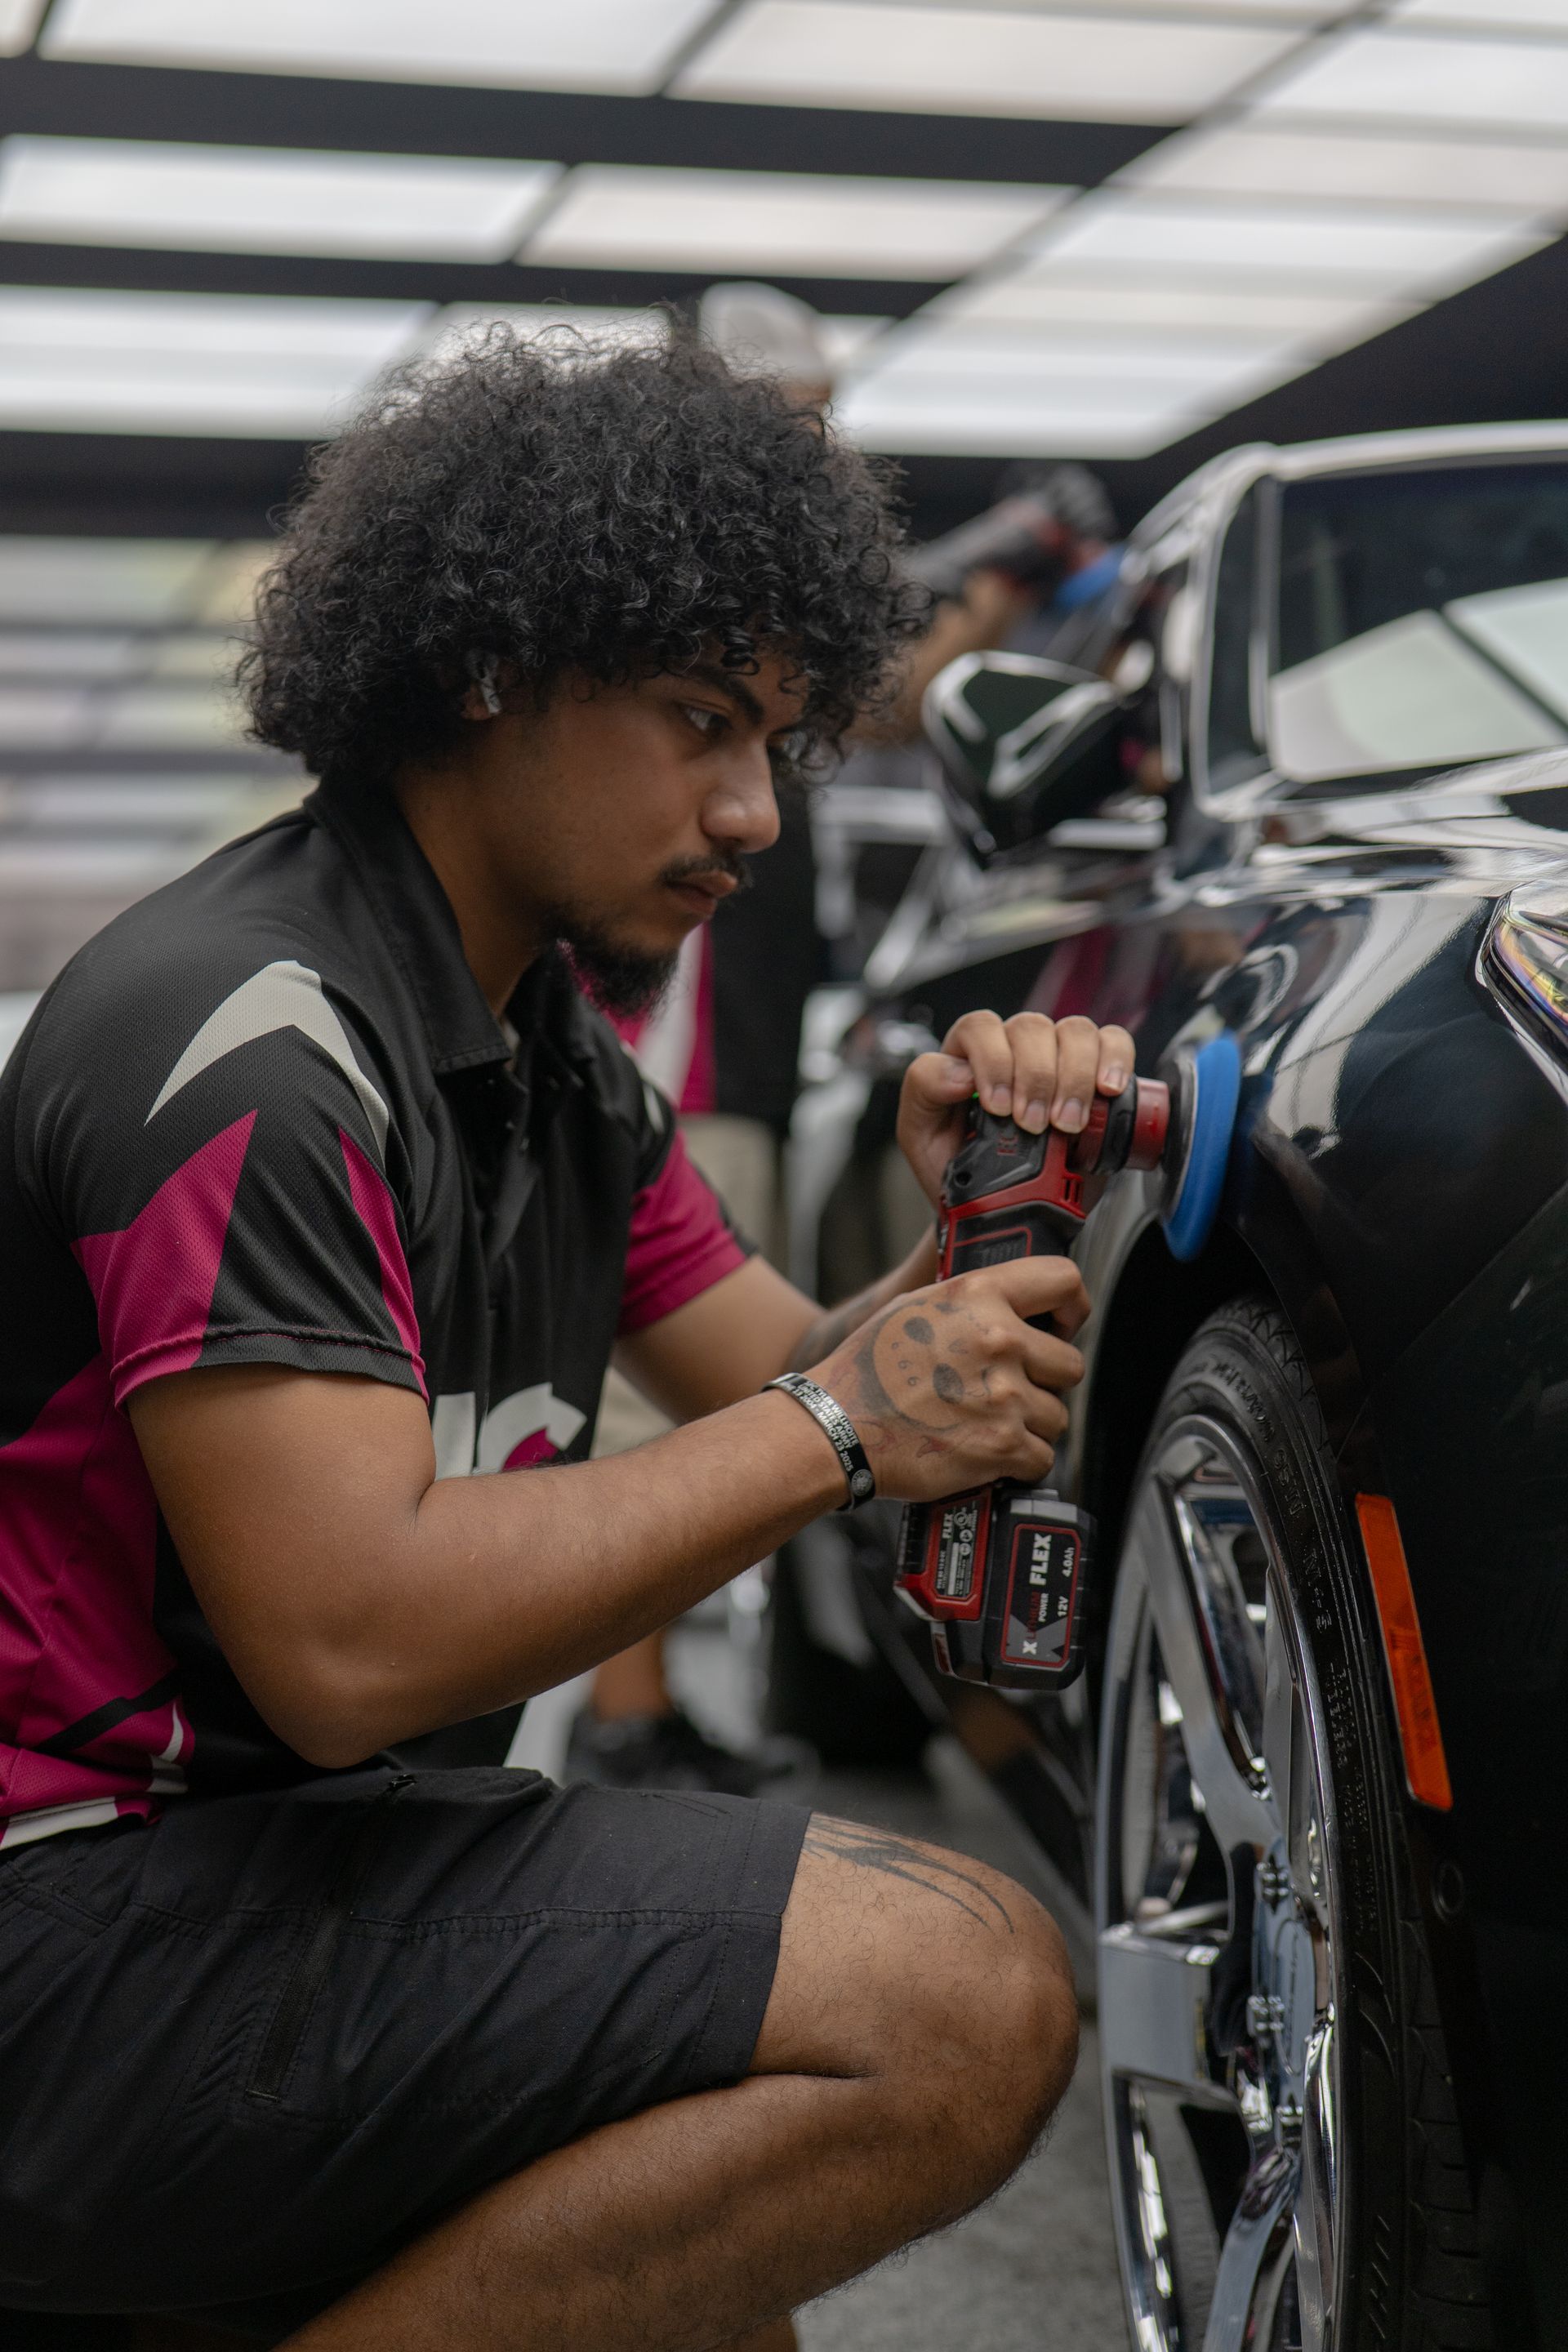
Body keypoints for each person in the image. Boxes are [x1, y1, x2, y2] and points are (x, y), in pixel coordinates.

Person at [0, 328, 1135, 2349]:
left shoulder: (554, 1066)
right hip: (72, 1933)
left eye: (775, 740)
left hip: (278, 1880)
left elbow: (788, 1365)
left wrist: (966, 1225)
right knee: (955, 1991)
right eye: (699, 720)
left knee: (698, 2274)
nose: (753, 811)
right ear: (486, 667)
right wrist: (849, 1415)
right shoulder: (257, 1046)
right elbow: (349, 1649)